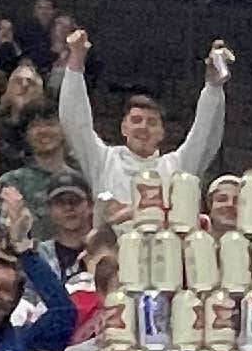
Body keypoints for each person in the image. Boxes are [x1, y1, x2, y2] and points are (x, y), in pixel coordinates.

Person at [53, 23, 230, 214]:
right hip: (111, 243)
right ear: (123, 128)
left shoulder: (176, 167)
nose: (143, 127)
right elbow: (75, 122)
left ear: (162, 133)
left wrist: (213, 87)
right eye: (136, 120)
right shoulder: (103, 161)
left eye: (152, 122)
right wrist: (76, 62)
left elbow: (205, 137)